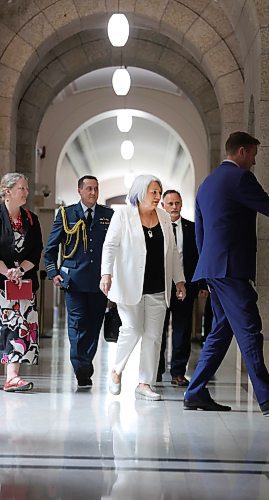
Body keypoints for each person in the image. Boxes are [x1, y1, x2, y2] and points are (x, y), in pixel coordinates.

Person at [183, 131, 269, 416]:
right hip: (231, 268)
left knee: (221, 331)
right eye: (254, 155)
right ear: (242, 151)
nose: (254, 162)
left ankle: (195, 391)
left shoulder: (207, 184)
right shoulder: (240, 178)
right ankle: (266, 396)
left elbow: (200, 232)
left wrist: (207, 268)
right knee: (249, 329)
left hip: (214, 267)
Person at [100, 174, 186, 401]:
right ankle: (116, 370)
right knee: (133, 329)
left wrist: (179, 280)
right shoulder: (124, 215)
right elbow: (110, 246)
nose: (158, 197)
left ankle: (144, 383)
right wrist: (106, 273)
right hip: (129, 285)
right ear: (140, 192)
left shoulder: (164, 218)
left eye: (159, 192)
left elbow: (173, 251)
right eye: (154, 192)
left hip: (158, 286)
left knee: (154, 336)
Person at [44, 175, 113, 388]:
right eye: (89, 189)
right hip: (73, 280)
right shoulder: (66, 214)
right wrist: (53, 271)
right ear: (80, 190)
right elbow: (51, 249)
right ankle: (80, 367)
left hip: (100, 282)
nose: (93, 192)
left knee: (94, 326)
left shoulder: (108, 215)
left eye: (96, 189)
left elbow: (115, 248)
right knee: (77, 323)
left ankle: (85, 362)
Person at [157, 190, 208, 386]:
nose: (174, 207)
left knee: (183, 330)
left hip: (185, 287)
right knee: (158, 330)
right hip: (160, 287)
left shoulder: (192, 228)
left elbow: (200, 258)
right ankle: (157, 370)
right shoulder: (157, 227)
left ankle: (178, 372)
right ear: (163, 205)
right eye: (170, 203)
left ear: (181, 204)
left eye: (177, 203)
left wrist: (202, 284)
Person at [0, 173, 43, 392]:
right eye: (21, 188)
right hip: (1, 282)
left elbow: (36, 251)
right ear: (7, 192)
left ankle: (13, 377)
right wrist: (7, 271)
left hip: (22, 284)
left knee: (19, 327)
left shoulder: (31, 219)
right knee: (4, 327)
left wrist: (18, 270)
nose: (26, 192)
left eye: (26, 188)